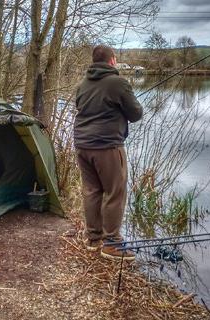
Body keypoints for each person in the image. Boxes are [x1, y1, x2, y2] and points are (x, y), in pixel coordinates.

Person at [74, 45, 143, 261]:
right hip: (107, 146)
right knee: (115, 192)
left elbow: (82, 106)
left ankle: (94, 239)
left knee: (92, 190)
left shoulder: (82, 84)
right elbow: (136, 114)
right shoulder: (118, 82)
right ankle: (111, 243)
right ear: (112, 61)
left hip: (82, 144)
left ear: (95, 62)